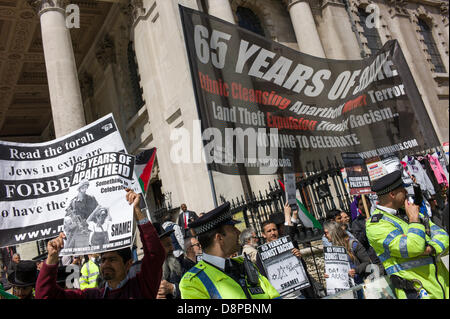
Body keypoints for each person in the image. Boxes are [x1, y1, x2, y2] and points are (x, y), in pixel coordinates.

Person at [35, 188, 166, 299]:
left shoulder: (141, 286)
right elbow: (45, 295)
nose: (105, 264)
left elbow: (155, 255)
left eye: (112, 259)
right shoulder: (93, 296)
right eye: (103, 260)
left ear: (128, 264)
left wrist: (137, 210)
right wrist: (52, 257)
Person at [366, 170, 449, 299]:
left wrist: (431, 248)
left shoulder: (408, 212)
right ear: (392, 194)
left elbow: (443, 236)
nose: (406, 192)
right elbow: (414, 247)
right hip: (418, 292)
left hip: (443, 287)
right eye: (403, 189)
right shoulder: (376, 225)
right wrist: (414, 221)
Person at [179, 202, 279, 299]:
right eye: (233, 229)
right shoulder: (193, 283)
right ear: (219, 238)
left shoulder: (245, 265)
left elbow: (274, 295)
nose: (239, 232)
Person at [256, 207, 318, 299]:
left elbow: (299, 268)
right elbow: (263, 277)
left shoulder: (287, 244)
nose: (273, 233)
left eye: (274, 229)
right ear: (263, 234)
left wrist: (298, 257)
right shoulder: (261, 254)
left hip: (298, 294)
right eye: (269, 231)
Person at [323, 221, 372, 287]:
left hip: (359, 285)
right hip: (343, 288)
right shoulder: (331, 250)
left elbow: (367, 262)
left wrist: (355, 270)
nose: (325, 236)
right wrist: (328, 274)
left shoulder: (353, 244)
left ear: (333, 232)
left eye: (326, 233)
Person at [350, 196, 385, 276]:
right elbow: (359, 240)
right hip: (374, 258)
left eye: (366, 203)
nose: (364, 206)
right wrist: (366, 226)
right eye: (361, 204)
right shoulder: (356, 223)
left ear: (369, 203)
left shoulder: (378, 216)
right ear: (358, 207)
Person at [154, 222, 183, 299]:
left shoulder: (183, 264)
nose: (172, 248)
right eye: (167, 245)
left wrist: (173, 288)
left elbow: (193, 290)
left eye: (171, 244)